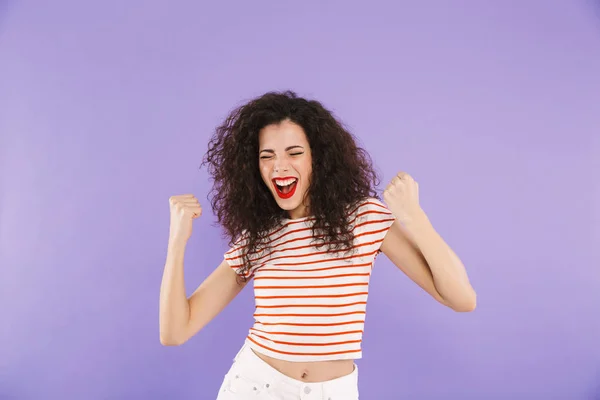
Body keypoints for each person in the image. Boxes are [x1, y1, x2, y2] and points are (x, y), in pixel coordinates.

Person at [159, 91, 476, 399]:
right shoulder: (258, 236)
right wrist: (177, 242)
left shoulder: (364, 217)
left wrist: (414, 218)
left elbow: (462, 298)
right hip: (255, 387)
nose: (280, 167)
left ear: (318, 158)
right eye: (266, 156)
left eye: (294, 153)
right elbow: (175, 332)